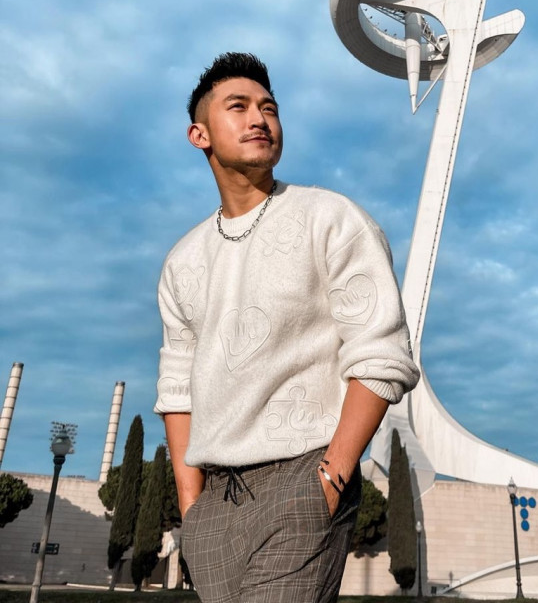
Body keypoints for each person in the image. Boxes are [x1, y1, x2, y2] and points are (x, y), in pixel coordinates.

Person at [154, 52, 419, 603]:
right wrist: (191, 510)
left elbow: (381, 353)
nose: (260, 119)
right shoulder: (182, 261)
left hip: (303, 482)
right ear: (199, 135)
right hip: (213, 507)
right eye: (239, 107)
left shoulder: (331, 218)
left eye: (269, 108)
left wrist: (330, 480)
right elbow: (177, 386)